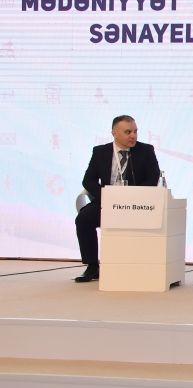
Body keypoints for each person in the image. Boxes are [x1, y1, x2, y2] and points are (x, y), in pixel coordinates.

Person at [75, 115, 161, 282]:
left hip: (135, 205)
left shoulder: (146, 150)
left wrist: (132, 196)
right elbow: (88, 180)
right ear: (114, 133)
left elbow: (153, 178)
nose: (133, 136)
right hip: (107, 203)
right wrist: (105, 196)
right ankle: (92, 265)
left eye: (135, 131)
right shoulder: (100, 152)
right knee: (83, 219)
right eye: (128, 132)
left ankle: (144, 264)